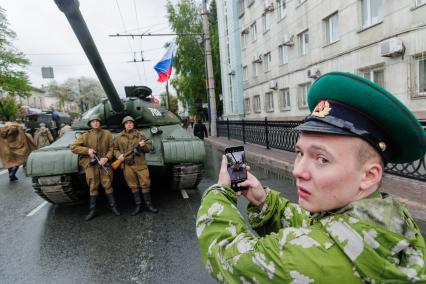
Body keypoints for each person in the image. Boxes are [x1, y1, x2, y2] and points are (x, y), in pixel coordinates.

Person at [196, 72, 426, 282]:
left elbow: (225, 255)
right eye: (299, 153)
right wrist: (264, 201)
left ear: (369, 175)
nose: (297, 171)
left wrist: (221, 192)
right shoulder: (389, 217)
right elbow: (325, 227)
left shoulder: (302, 259)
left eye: (322, 159)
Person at [70, 115, 120, 221]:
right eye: (93, 122)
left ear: (100, 123)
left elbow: (111, 148)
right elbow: (73, 147)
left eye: (97, 121)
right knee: (93, 186)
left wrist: (106, 158)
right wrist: (87, 150)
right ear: (90, 124)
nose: (96, 123)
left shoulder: (107, 134)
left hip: (104, 164)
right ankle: (93, 210)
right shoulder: (85, 136)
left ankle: (114, 207)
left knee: (108, 184)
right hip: (91, 165)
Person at [113, 116, 158, 215]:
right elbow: (115, 148)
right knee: (133, 185)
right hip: (127, 165)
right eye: (127, 123)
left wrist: (144, 146)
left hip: (140, 163)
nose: (129, 124)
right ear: (124, 125)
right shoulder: (118, 137)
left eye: (131, 122)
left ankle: (148, 205)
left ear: (133, 124)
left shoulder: (140, 135)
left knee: (145, 184)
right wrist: (118, 155)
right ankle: (138, 206)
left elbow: (149, 148)